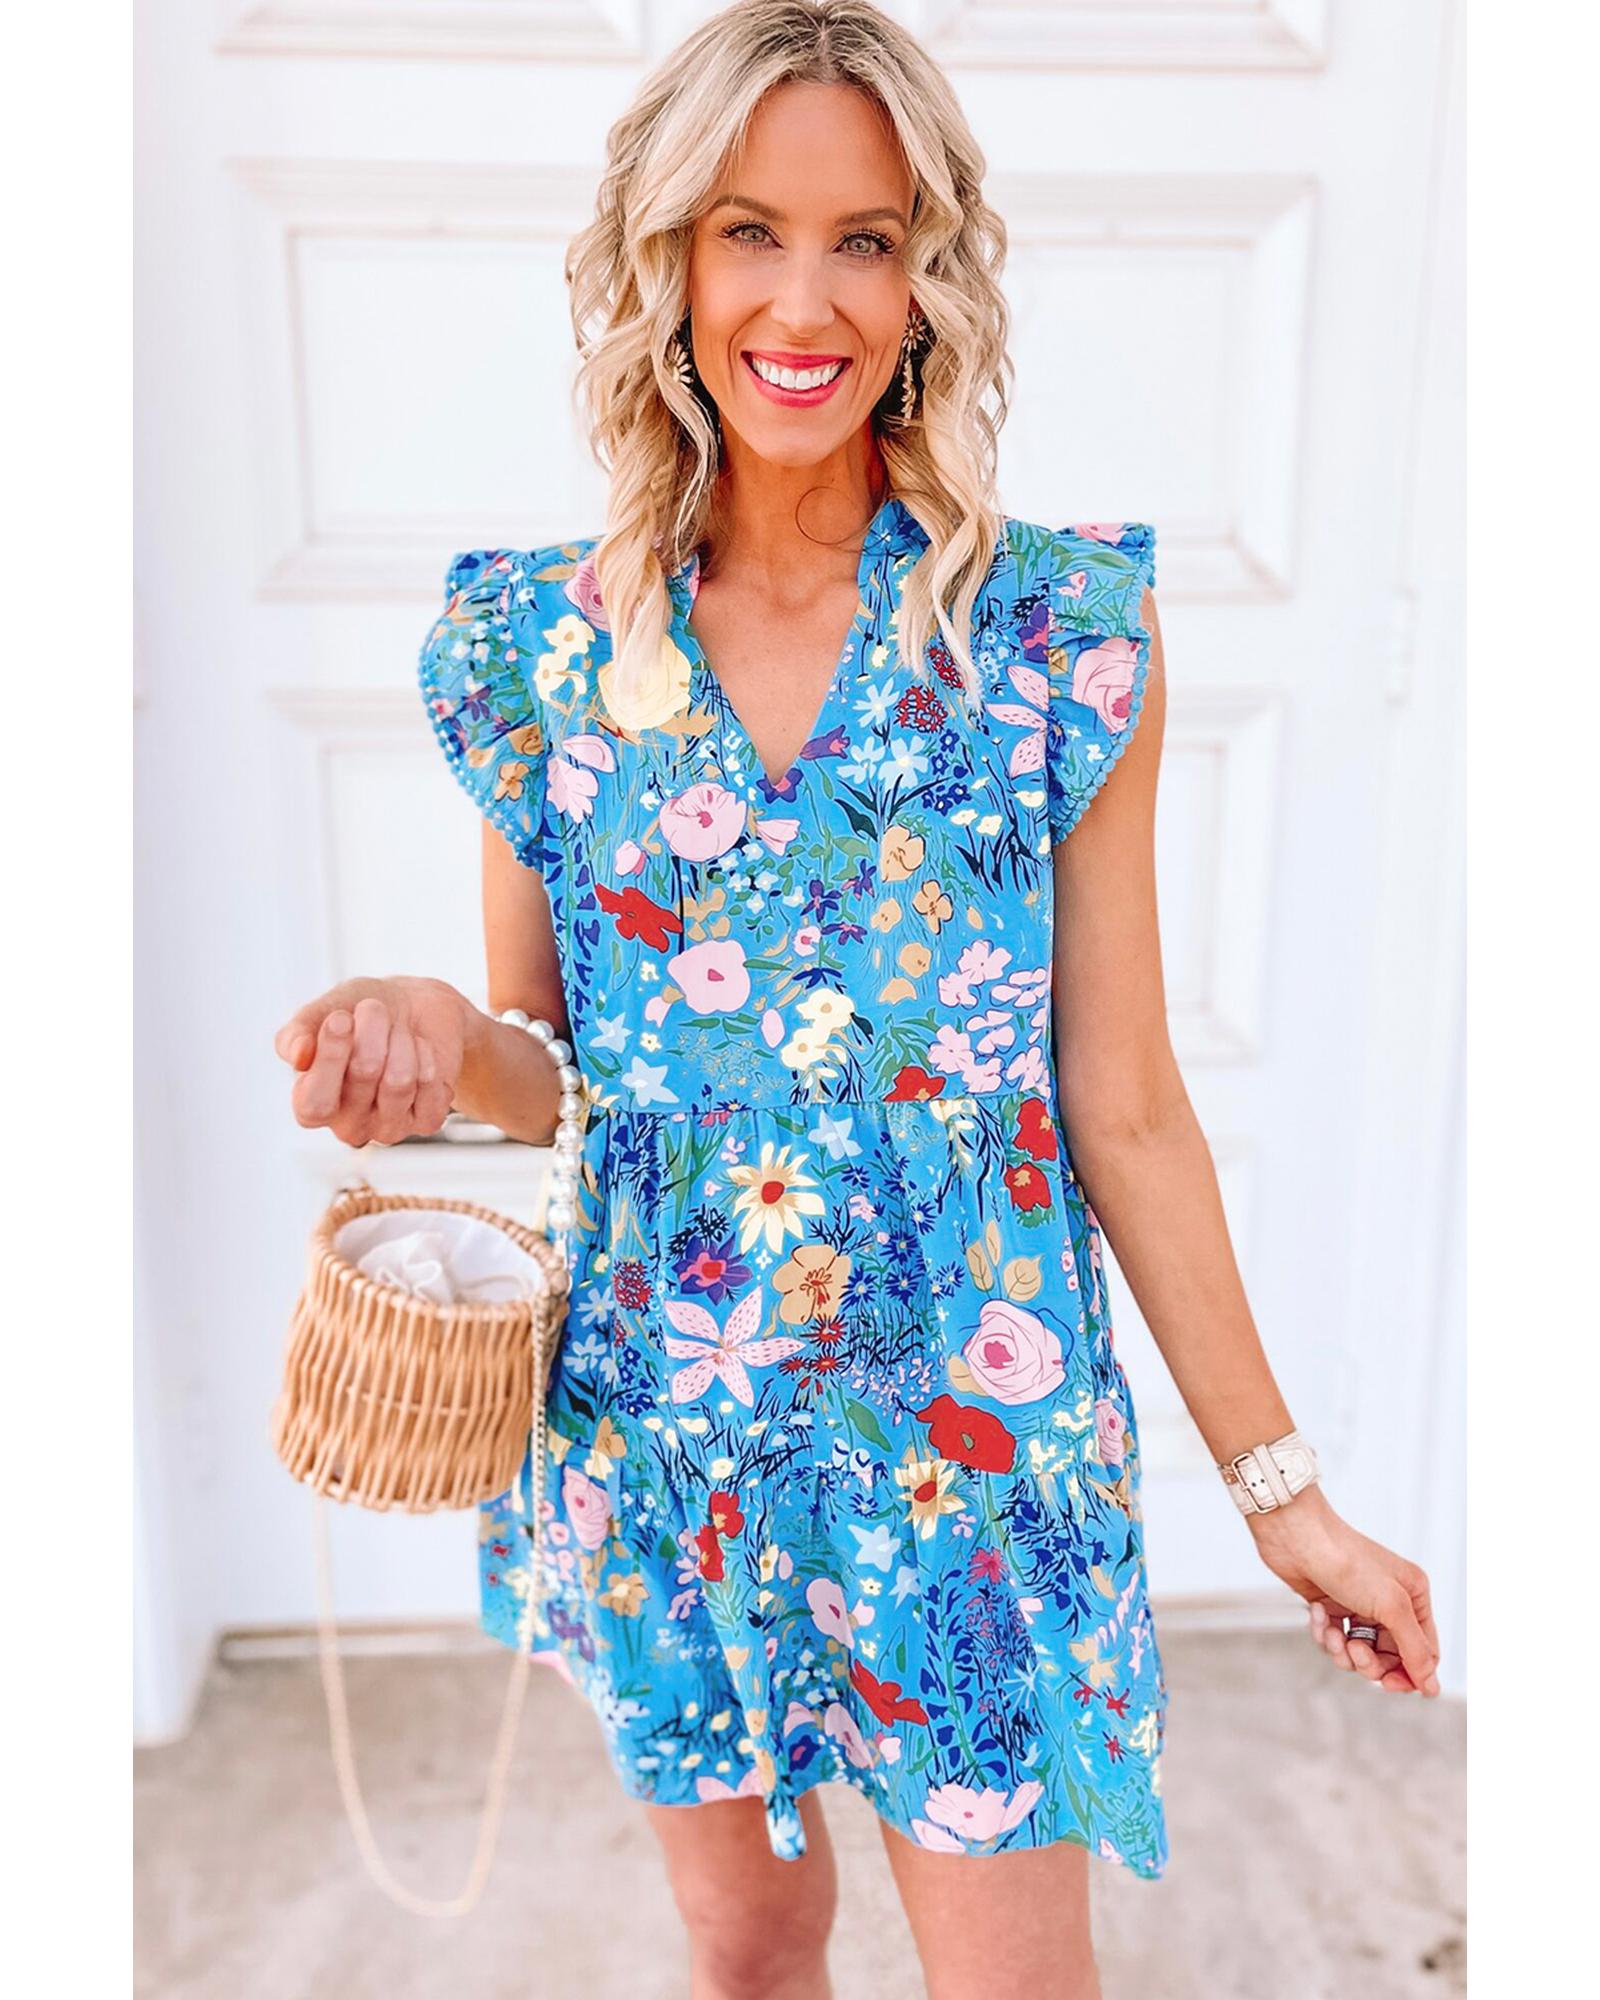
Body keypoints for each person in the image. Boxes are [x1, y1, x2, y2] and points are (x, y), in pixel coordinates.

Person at [274, 5, 1442, 1994]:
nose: (802, 302)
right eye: (748, 231)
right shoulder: (544, 649)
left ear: (928, 277)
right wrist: (424, 1031)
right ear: (667, 259)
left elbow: (1123, 1101)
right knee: (749, 1954)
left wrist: (1284, 1497)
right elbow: (543, 1067)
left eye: (864, 241)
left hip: (971, 1457)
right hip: (668, 1450)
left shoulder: (1052, 633)